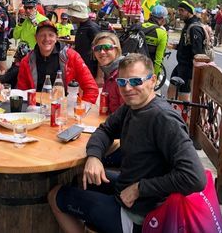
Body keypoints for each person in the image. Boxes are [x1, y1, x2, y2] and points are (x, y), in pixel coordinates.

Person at [48, 53, 206, 233]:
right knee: (82, 179)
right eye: (122, 82)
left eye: (136, 81)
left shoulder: (163, 118)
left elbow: (195, 177)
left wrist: (140, 189)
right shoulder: (133, 107)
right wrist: (94, 157)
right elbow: (105, 130)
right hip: (128, 189)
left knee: (55, 195)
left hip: (143, 215)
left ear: (152, 80)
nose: (128, 88)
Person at [17, 20, 99, 104]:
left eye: (51, 35)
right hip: (36, 109)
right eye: (42, 35)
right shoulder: (27, 61)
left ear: (56, 38)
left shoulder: (71, 57)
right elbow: (22, 92)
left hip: (65, 109)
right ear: (36, 38)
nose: (47, 39)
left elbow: (91, 88)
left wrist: (81, 110)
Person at [167, 0, 206, 102]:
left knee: (183, 97)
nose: (179, 12)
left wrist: (195, 73)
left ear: (189, 11)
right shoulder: (187, 25)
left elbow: (198, 52)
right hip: (181, 65)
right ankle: (169, 110)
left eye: (182, 10)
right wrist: (176, 46)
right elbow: (186, 45)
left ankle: (185, 116)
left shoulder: (194, 28)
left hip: (188, 68)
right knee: (171, 89)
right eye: (178, 10)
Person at [91, 32, 124, 113]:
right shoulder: (109, 71)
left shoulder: (122, 74)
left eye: (107, 47)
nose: (102, 52)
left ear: (117, 50)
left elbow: (126, 112)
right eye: (97, 48)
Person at [68, 1, 101, 78]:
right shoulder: (82, 26)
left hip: (91, 69)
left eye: (71, 15)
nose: (70, 17)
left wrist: (100, 77)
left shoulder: (92, 28)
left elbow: (100, 51)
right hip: (82, 66)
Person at [141, 5, 169, 76]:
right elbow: (158, 60)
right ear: (163, 19)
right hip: (147, 71)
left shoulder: (138, 26)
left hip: (132, 68)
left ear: (150, 15)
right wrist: (155, 76)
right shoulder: (162, 33)